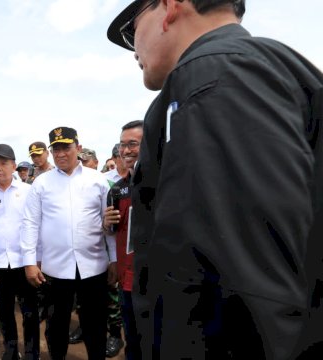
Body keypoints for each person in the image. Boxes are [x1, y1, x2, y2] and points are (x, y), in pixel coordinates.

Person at [106, 1, 323, 358]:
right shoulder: (258, 65)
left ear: (171, 6)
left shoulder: (212, 74)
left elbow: (242, 288)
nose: (134, 51)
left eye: (132, 31)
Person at [22, 127, 111, 360]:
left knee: (95, 324)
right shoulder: (42, 183)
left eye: (66, 147)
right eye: (56, 149)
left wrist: (114, 260)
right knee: (56, 324)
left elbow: (109, 224)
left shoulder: (98, 181)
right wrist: (30, 262)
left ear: (78, 148)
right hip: (56, 268)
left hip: (93, 266)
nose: (61, 153)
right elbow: (30, 223)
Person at [0, 144, 39, 360]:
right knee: (4, 312)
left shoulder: (28, 191)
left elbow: (36, 226)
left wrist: (36, 260)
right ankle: (11, 350)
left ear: (13, 166)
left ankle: (32, 353)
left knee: (30, 312)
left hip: (25, 263)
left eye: (3, 163)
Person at [104, 120, 144, 360]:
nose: (126, 150)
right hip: (127, 279)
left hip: (158, 279)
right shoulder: (117, 189)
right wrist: (106, 223)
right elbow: (114, 230)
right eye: (122, 145)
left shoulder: (164, 183)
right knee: (133, 339)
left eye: (133, 144)